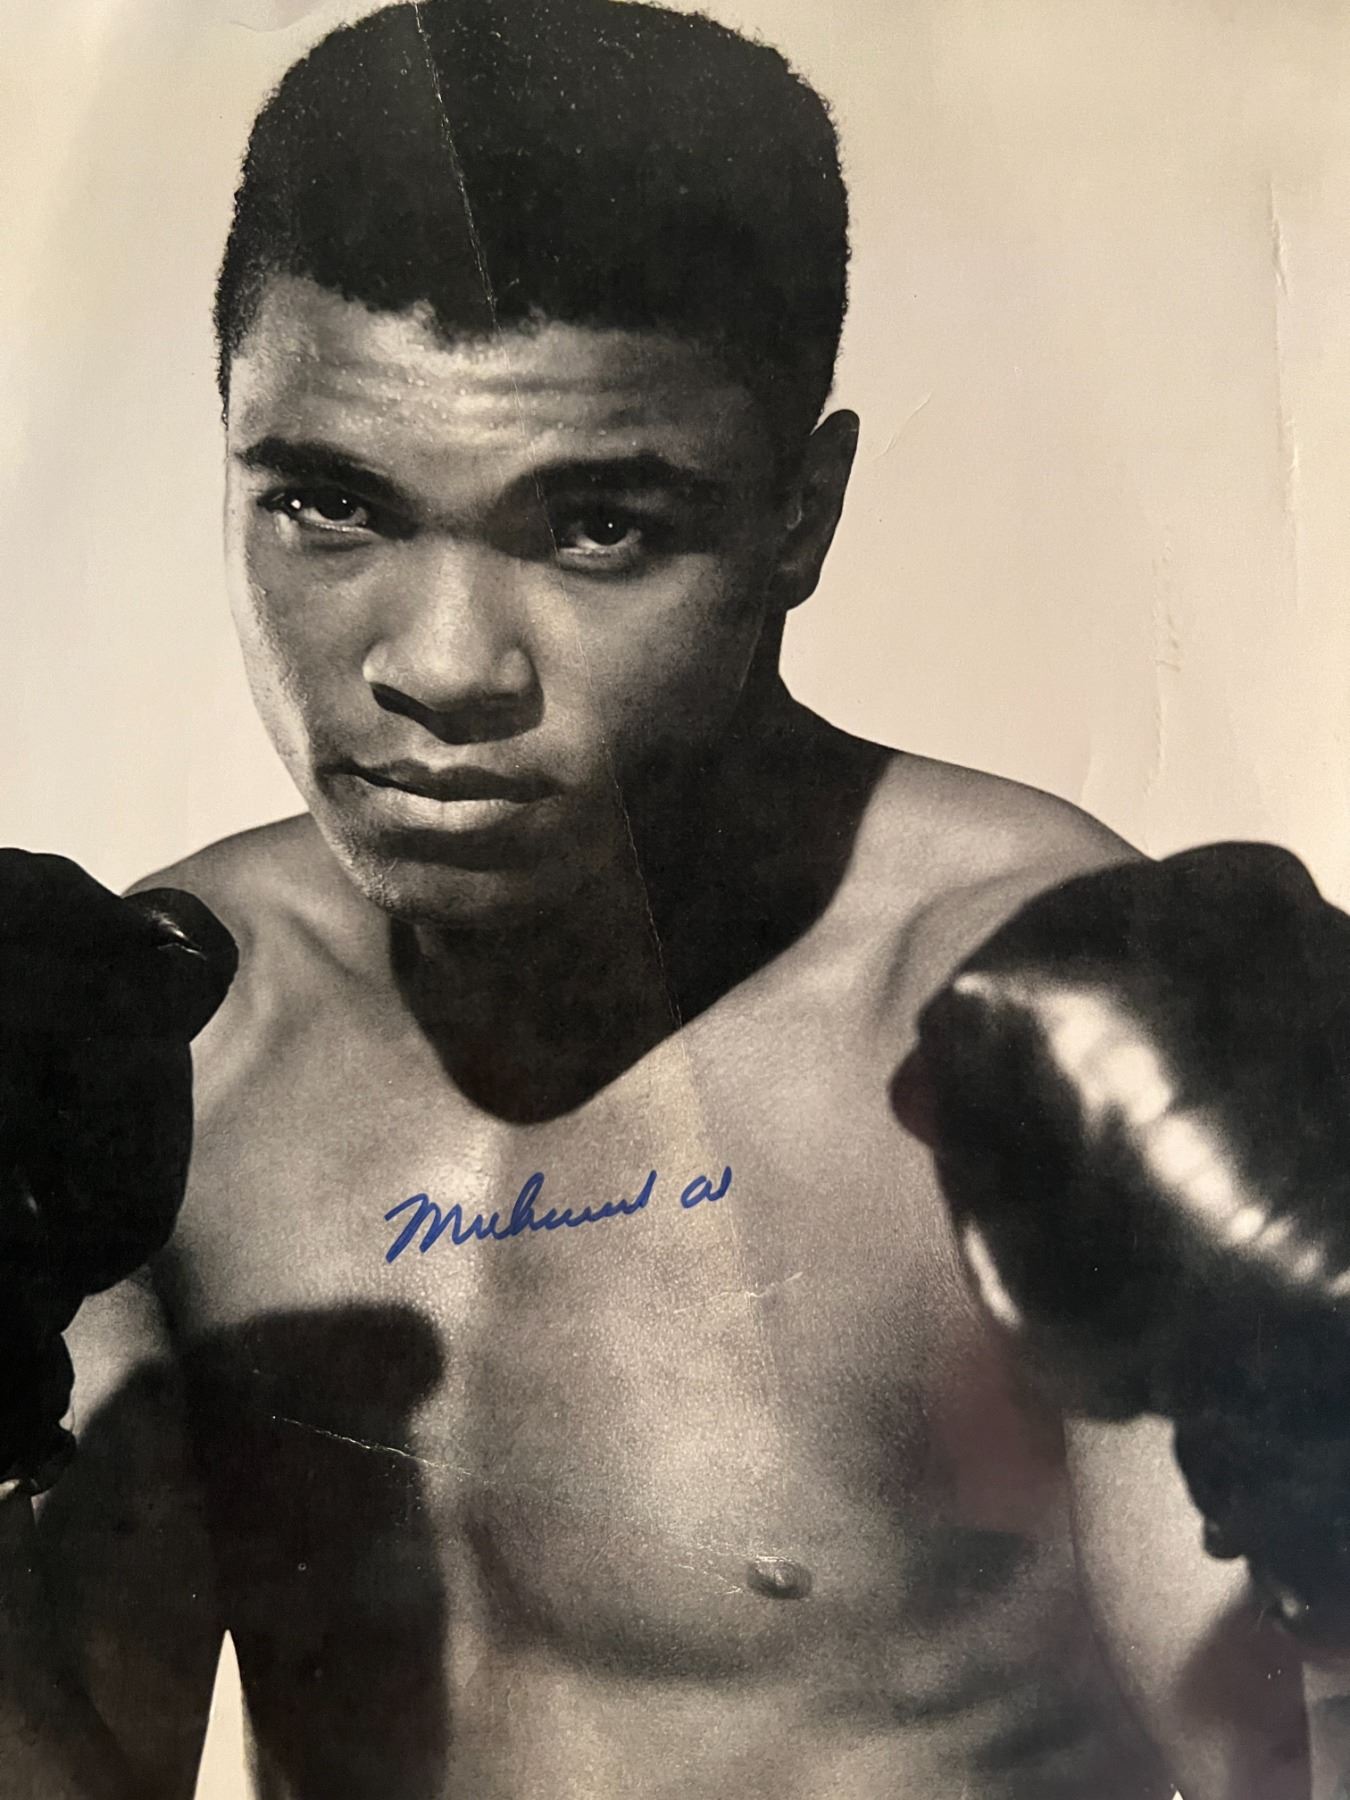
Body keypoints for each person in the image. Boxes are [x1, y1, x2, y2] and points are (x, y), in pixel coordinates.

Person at [1, 1, 1313, 1796]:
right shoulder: (161, 1025)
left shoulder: (1037, 1021)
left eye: (596, 525)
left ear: (800, 514)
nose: (441, 666)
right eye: (329, 504)